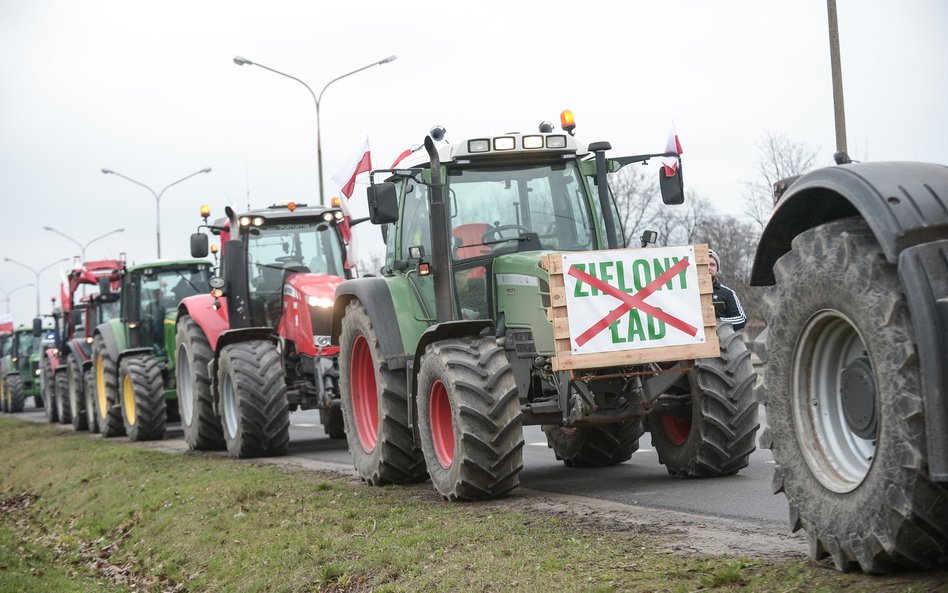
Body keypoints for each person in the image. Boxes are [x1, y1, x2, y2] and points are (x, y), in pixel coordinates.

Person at [708, 249, 746, 330]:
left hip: (722, 341)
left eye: (712, 264)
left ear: (717, 269)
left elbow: (741, 319)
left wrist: (717, 322)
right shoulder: (690, 293)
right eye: (705, 265)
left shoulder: (727, 293)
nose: (708, 268)